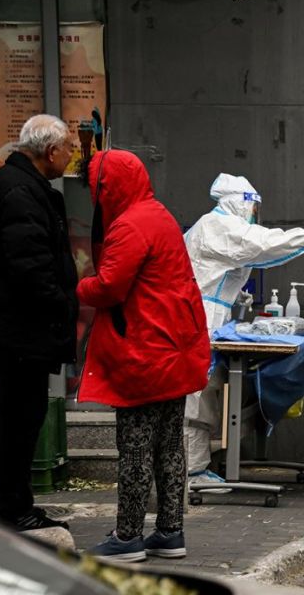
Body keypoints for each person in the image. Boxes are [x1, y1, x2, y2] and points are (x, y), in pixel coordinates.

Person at [77, 150, 211, 561]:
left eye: (96, 188)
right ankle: (170, 530)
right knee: (169, 444)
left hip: (146, 350)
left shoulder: (130, 225)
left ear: (109, 187)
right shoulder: (158, 214)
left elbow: (111, 287)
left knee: (135, 446)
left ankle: (128, 535)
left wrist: (75, 286)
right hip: (174, 346)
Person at [0, 114, 79, 531]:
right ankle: (11, 509)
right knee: (20, 422)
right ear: (50, 152)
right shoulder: (20, 191)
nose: (71, 155)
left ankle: (7, 505)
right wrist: (62, 307)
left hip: (13, 329)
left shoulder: (18, 186)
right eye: (69, 148)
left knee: (20, 420)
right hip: (17, 332)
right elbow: (30, 269)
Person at [182, 173, 304, 490]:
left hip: (208, 313)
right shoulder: (217, 225)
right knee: (197, 394)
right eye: (251, 206)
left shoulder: (218, 225)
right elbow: (259, 243)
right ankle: (191, 471)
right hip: (200, 317)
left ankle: (197, 465)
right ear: (237, 201)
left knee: (205, 391)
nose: (252, 213)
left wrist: (234, 293)